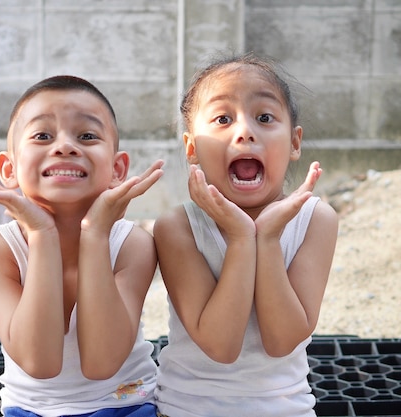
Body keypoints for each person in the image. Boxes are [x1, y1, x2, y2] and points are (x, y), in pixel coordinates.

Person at [0, 75, 164, 417]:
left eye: (87, 135)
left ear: (118, 169)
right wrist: (41, 234)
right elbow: (38, 362)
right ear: (8, 169)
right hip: (30, 410)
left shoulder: (132, 244)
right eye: (43, 135)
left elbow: (102, 363)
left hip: (128, 404)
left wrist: (97, 234)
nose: (65, 147)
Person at [153, 53, 338, 417]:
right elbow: (220, 346)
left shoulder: (316, 220)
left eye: (265, 117)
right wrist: (241, 238)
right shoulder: (177, 227)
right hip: (187, 409)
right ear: (192, 149)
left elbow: (283, 340)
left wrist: (267, 240)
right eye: (223, 119)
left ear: (294, 143)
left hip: (286, 409)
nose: (244, 131)